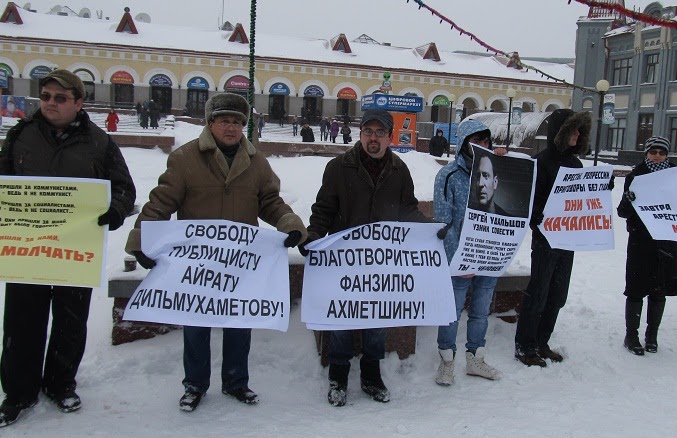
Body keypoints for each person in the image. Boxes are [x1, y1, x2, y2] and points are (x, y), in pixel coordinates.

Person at [124, 93, 307, 412]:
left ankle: (236, 382)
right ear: (210, 123)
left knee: (239, 322)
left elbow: (270, 202)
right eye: (224, 120)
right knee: (196, 324)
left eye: (237, 121)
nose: (231, 127)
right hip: (198, 263)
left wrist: (289, 223)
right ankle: (194, 384)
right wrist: (142, 239)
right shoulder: (185, 159)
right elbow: (161, 203)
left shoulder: (257, 162)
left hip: (239, 262)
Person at [0, 69, 136, 427]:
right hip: (28, 249)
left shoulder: (99, 142)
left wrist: (115, 210)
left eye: (60, 98)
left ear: (78, 103)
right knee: (21, 321)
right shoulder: (20, 135)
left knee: (70, 321)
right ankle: (18, 392)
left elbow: (123, 188)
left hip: (75, 252)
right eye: (46, 96)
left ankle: (60, 384)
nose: (50, 103)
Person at [301, 109, 428, 407]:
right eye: (368, 132)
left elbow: (408, 209)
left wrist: (427, 230)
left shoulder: (400, 170)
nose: (373, 138)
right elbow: (323, 210)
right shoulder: (338, 167)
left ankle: (372, 376)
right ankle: (339, 376)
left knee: (376, 321)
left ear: (389, 137)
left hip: (380, 262)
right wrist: (314, 236)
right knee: (343, 320)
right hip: (345, 260)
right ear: (360, 135)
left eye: (380, 132)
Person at [617, 136, 677, 355]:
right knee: (636, 289)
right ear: (646, 153)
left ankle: (652, 335)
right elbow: (623, 212)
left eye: (662, 152)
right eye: (653, 151)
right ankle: (631, 336)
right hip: (641, 241)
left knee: (659, 290)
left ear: (667, 154)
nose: (657, 155)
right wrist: (629, 199)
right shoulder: (636, 177)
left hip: (666, 241)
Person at [514, 109, 591, 367]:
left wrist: (599, 189)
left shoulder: (576, 164)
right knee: (539, 292)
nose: (577, 134)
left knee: (558, 295)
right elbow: (529, 198)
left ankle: (541, 342)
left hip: (568, 239)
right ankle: (525, 345)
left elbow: (581, 200)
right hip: (546, 239)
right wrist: (536, 216)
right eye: (573, 130)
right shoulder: (542, 161)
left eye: (580, 130)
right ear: (561, 132)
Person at [433, 120, 507, 386]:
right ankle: (447, 361)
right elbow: (443, 221)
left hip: (488, 255)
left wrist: (506, 163)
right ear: (464, 142)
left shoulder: (494, 170)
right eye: (476, 140)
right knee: (451, 312)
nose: (482, 146)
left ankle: (476, 358)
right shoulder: (449, 175)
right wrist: (459, 259)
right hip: (460, 260)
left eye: (486, 141)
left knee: (480, 311)